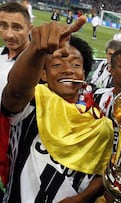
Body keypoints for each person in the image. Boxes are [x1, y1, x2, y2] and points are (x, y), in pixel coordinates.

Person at [1, 17, 114, 202]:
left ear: (84, 75)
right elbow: (15, 93)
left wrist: (82, 198)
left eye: (76, 65)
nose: (68, 69)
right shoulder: (33, 102)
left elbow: (103, 172)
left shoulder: (100, 123)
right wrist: (36, 49)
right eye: (57, 64)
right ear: (43, 74)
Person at [0, 2, 32, 195]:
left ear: (30, 28)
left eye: (17, 27)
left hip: (20, 154)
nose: (9, 34)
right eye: (4, 25)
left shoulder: (40, 66)